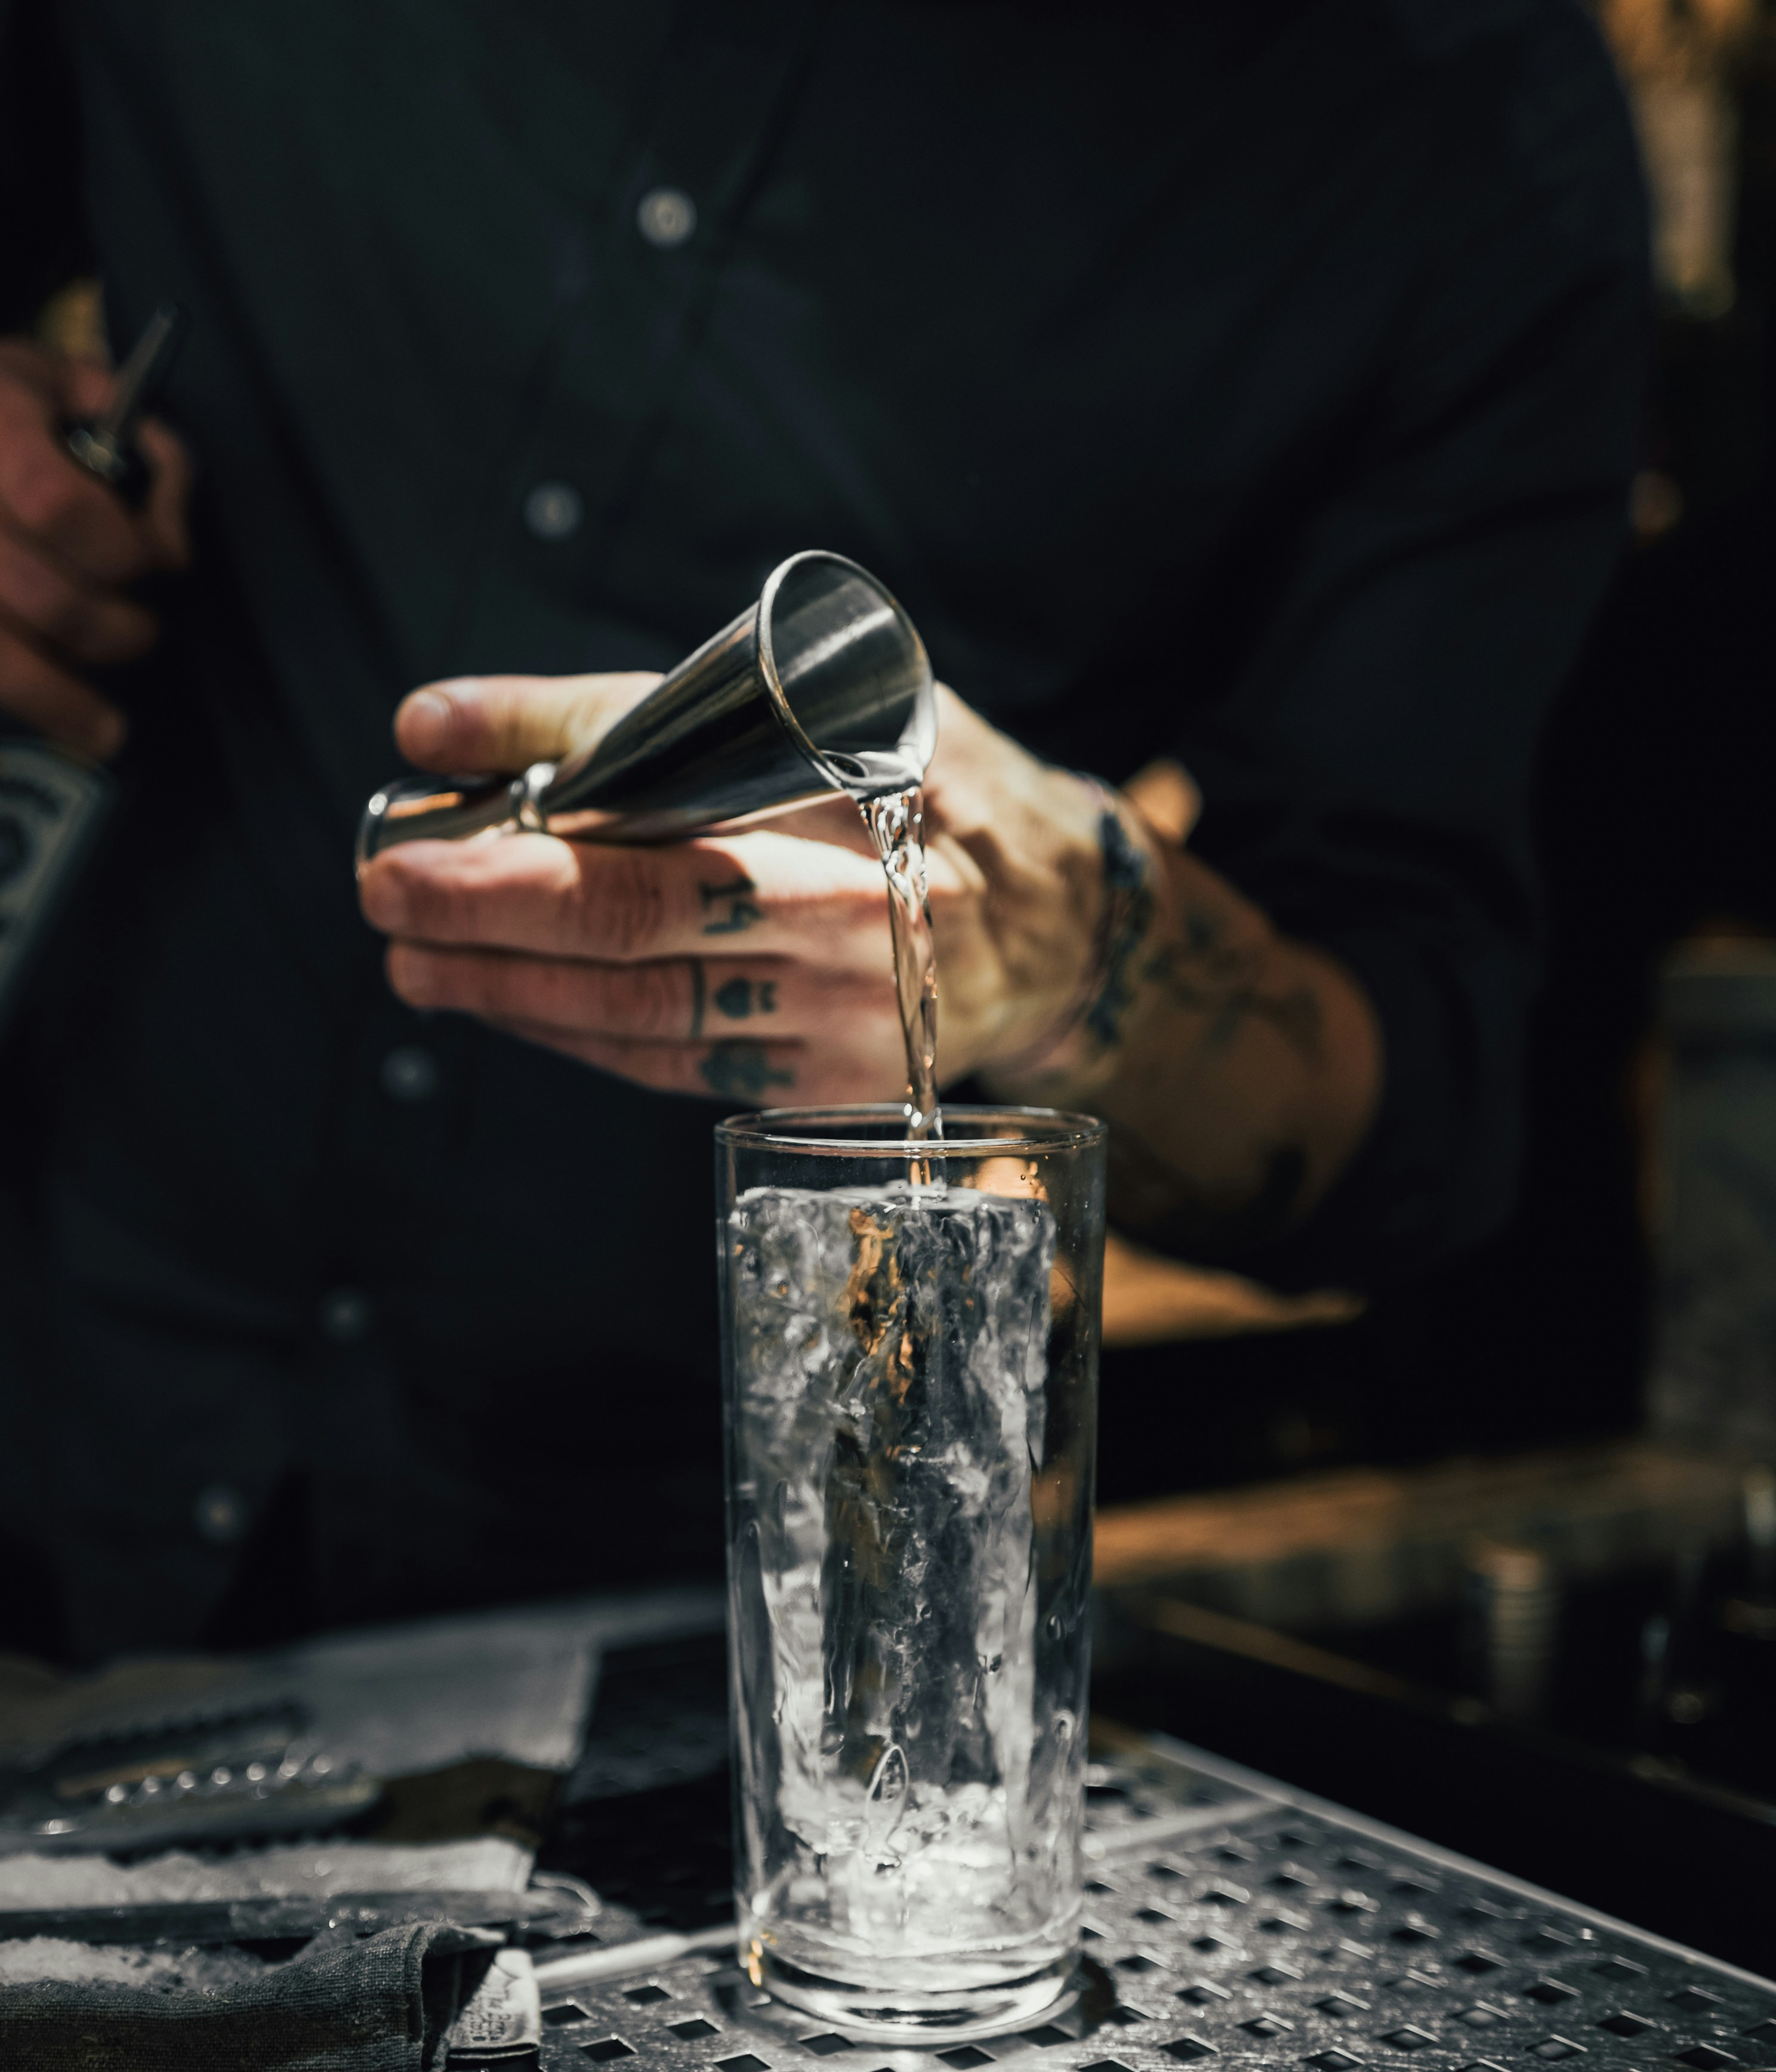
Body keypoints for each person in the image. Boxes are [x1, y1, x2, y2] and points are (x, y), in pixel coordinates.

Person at [0, 0, 1646, 1660]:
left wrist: (1079, 954)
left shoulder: (1453, 112)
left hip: (690, 1608)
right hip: (57, 1344)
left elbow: (1405, 1115)